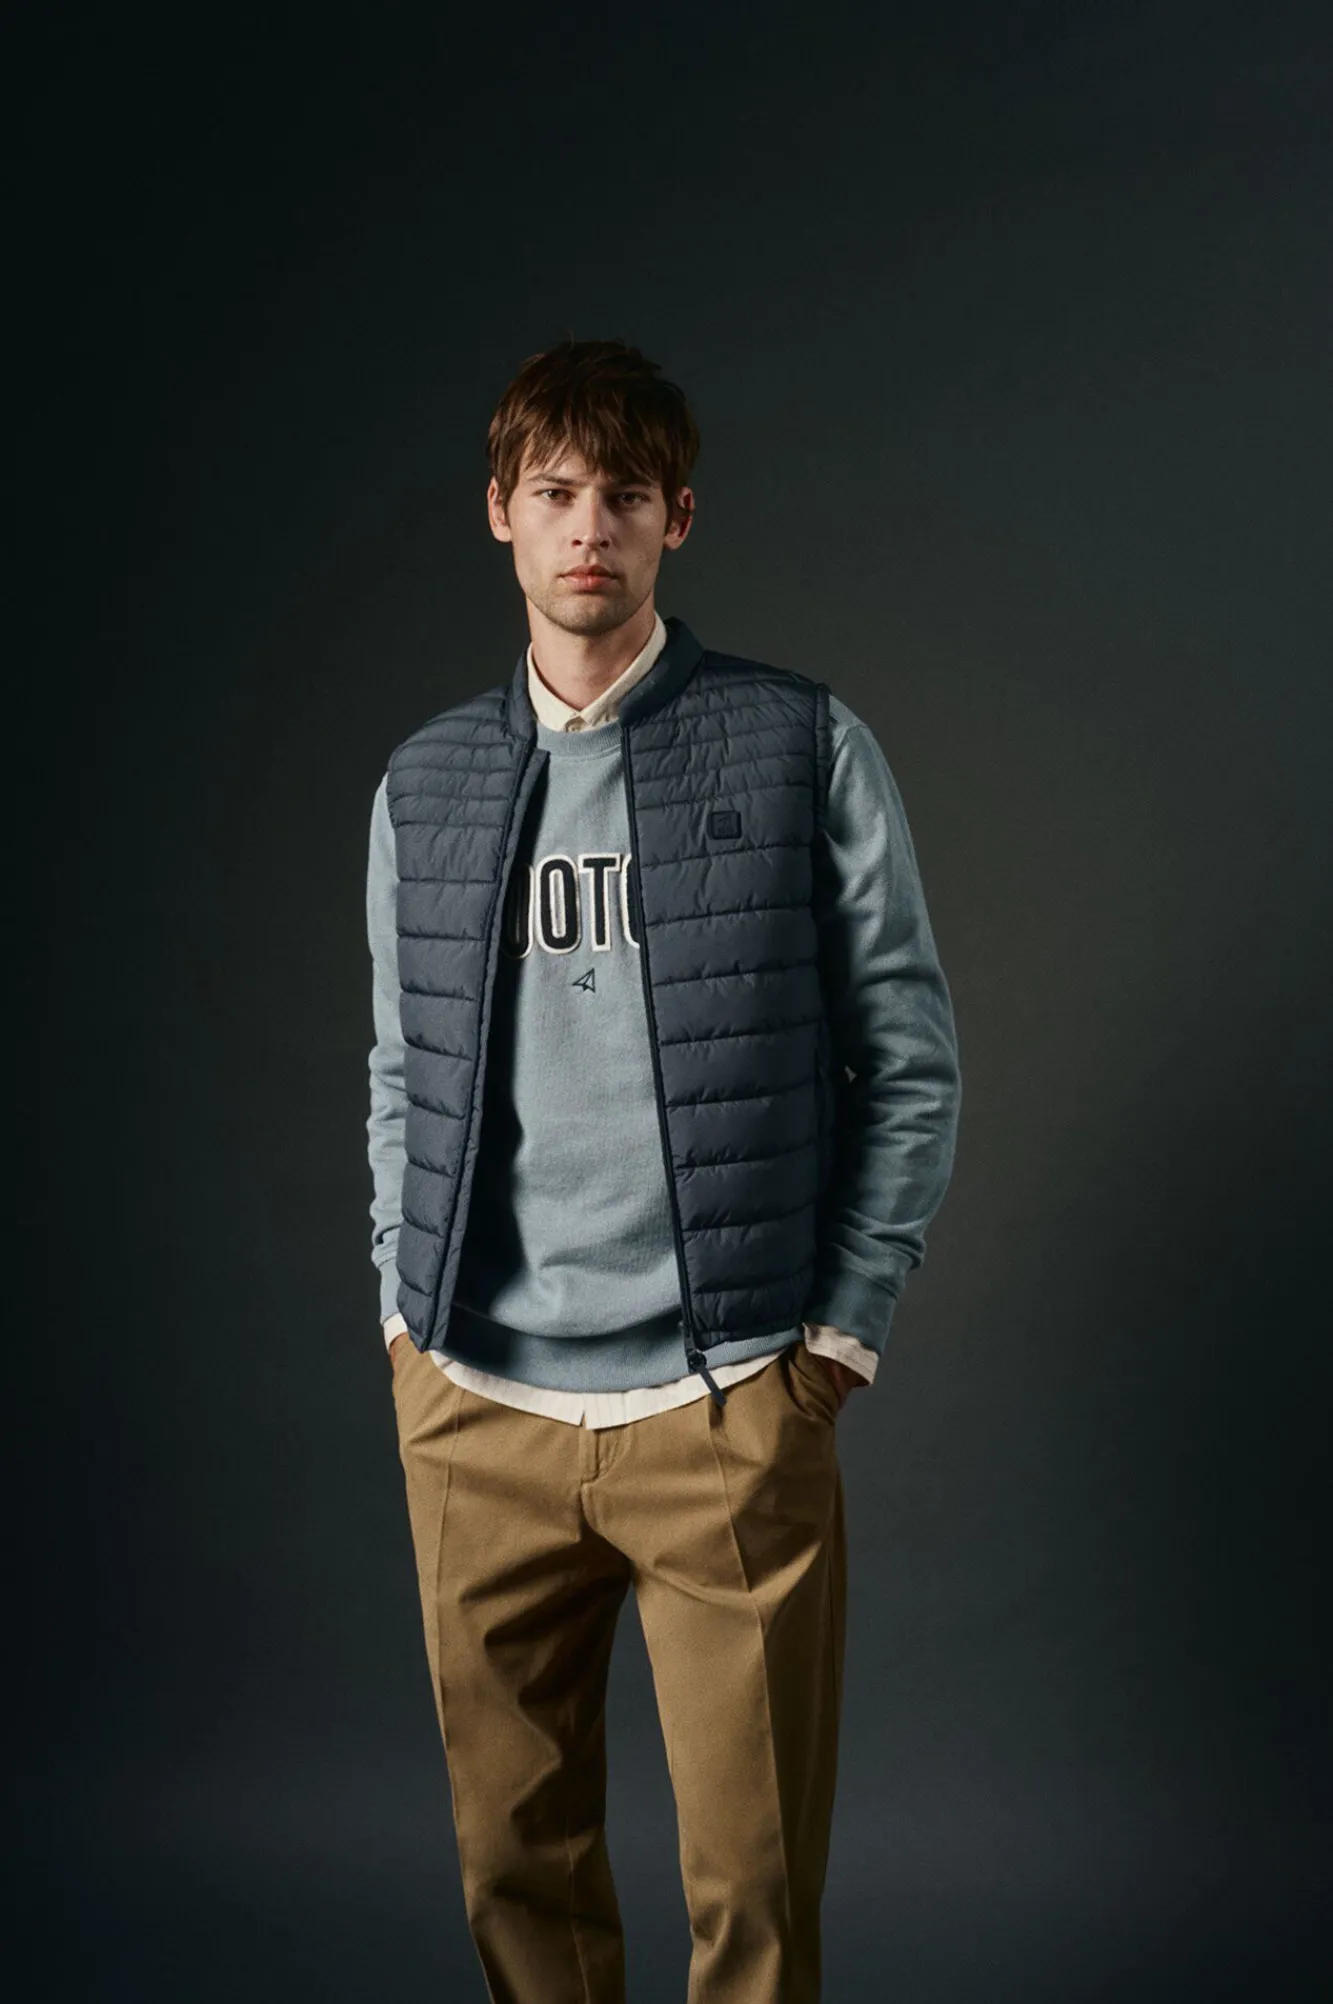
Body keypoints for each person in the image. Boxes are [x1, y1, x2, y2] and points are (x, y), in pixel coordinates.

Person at [365, 336, 962, 2003]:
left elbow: (911, 1058)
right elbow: (402, 1071)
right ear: (500, 511)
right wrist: (406, 1327)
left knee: (754, 1895)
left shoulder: (801, 745)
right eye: (555, 492)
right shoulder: (424, 783)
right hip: (477, 1411)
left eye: (624, 496)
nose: (589, 529)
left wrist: (834, 1338)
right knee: (515, 1875)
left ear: (676, 518)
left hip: (725, 1405)